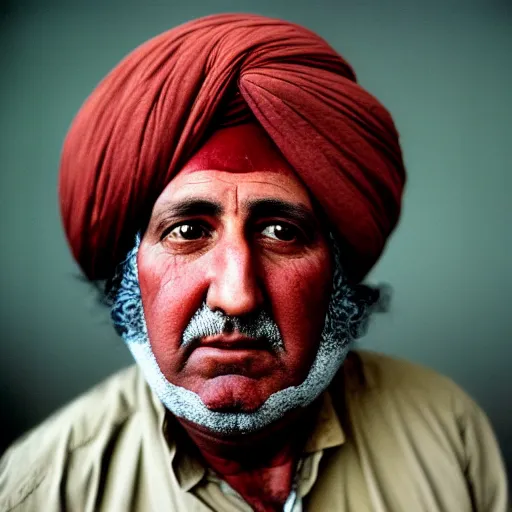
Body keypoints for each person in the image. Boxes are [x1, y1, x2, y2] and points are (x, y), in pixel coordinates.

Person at [0, 13, 507, 512]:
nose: (236, 295)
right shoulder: (42, 490)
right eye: (187, 232)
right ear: (129, 276)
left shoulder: (447, 432)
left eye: (281, 233)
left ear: (338, 280)